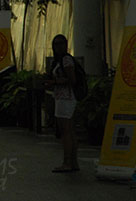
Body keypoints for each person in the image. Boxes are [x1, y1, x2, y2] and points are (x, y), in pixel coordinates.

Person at [45, 34, 79, 172]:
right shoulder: (59, 61)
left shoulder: (66, 60)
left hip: (66, 98)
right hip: (62, 97)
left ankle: (67, 162)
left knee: (66, 131)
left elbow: (72, 79)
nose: (58, 47)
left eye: (61, 44)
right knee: (69, 131)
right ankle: (73, 162)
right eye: (55, 44)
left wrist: (54, 82)